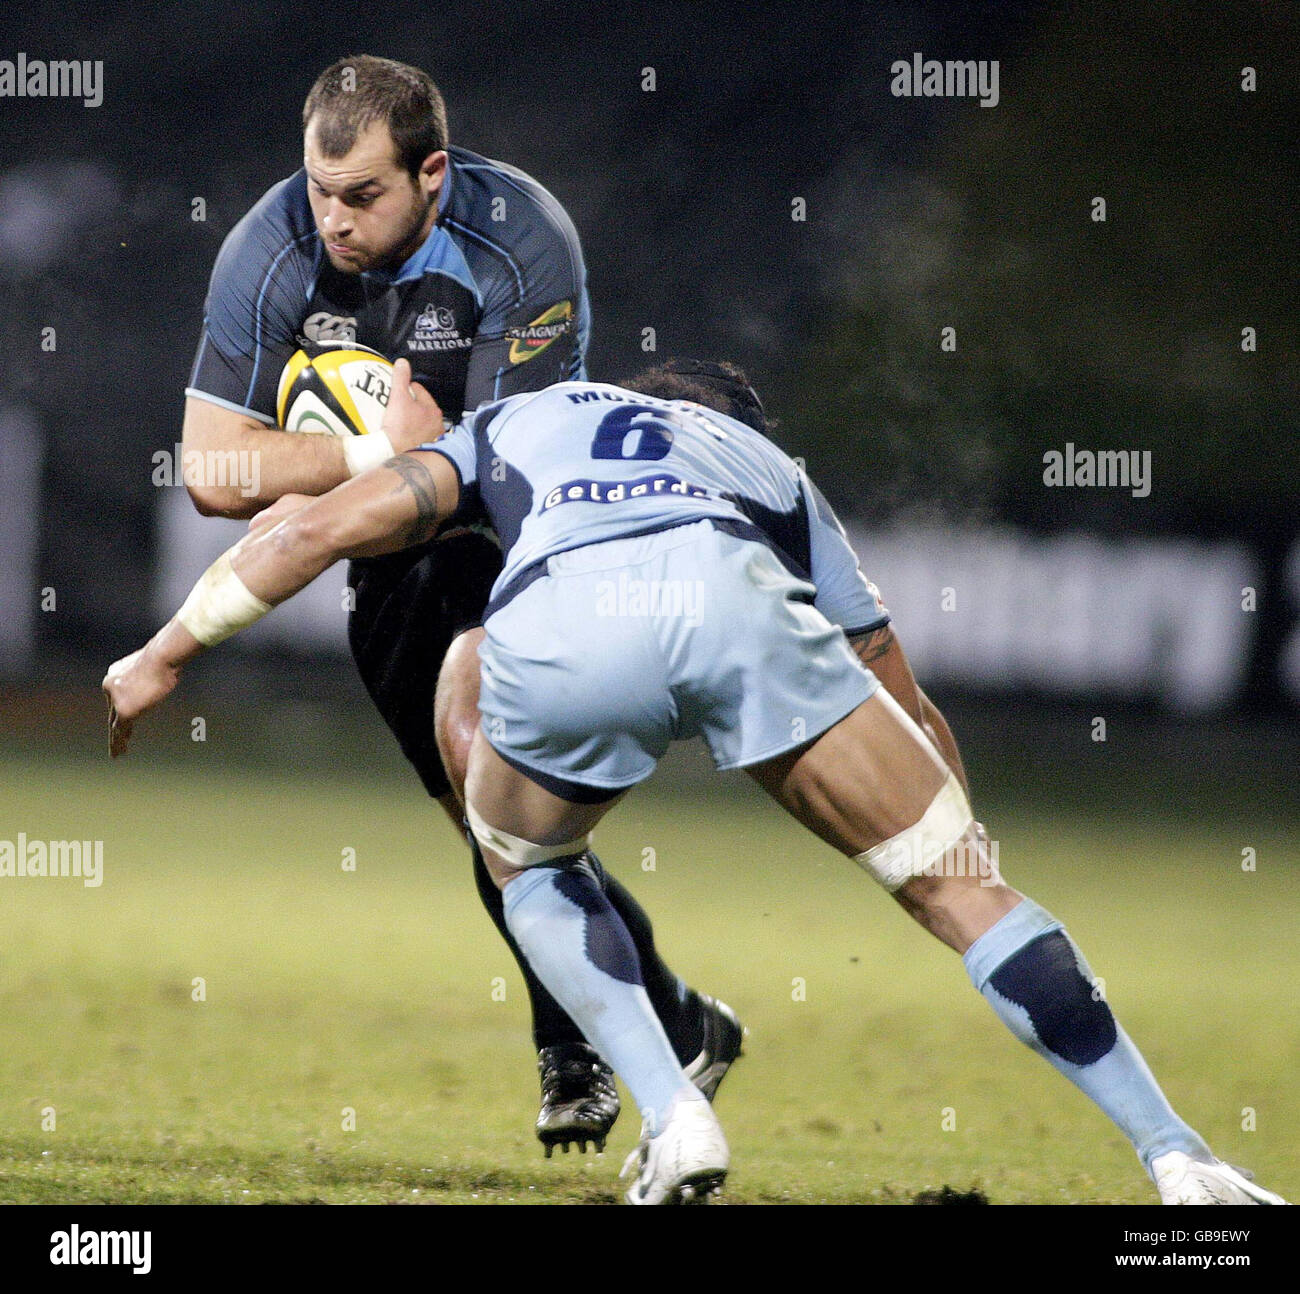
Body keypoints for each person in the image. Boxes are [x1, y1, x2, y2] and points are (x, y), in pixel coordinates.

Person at [104, 360, 1289, 1209]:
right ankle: (1178, 1158)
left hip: (574, 620)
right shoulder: (770, 466)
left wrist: (161, 656)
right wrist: (943, 841)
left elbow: (309, 532)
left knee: (521, 852)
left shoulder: (525, 417)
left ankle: (677, 1115)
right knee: (966, 890)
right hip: (738, 604)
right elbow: (897, 688)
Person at [179, 52, 741, 1152]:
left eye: (362, 195)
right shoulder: (271, 242)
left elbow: (486, 467)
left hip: (508, 546)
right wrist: (360, 450)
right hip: (382, 562)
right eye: (318, 189)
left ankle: (581, 1044)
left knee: (503, 812)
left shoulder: (520, 240)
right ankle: (679, 1021)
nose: (331, 220)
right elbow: (208, 470)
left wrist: (344, 465)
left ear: (431, 172)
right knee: (486, 825)